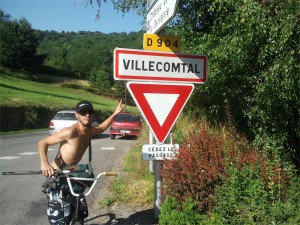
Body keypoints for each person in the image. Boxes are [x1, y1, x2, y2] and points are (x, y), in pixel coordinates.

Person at [38, 100, 124, 225]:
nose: (87, 115)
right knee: (58, 219)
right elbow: (43, 142)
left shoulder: (89, 130)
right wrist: (44, 163)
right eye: (83, 112)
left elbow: (101, 128)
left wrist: (115, 113)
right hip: (57, 173)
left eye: (90, 112)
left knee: (77, 209)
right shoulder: (70, 132)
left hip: (71, 172)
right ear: (77, 115)